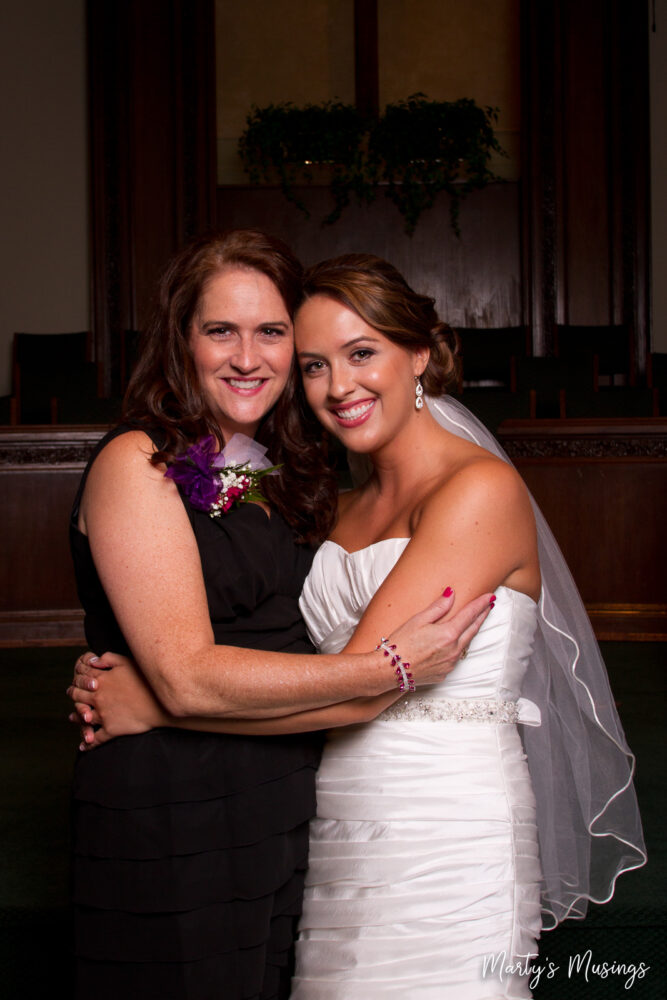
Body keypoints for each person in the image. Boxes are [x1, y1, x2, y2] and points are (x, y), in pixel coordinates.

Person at [70, 251, 645, 998]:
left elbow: (369, 689)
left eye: (361, 352)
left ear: (421, 355)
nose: (338, 386)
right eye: (313, 365)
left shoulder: (478, 491)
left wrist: (159, 701)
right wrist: (149, 651)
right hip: (331, 817)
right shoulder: (328, 507)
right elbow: (294, 653)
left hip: (438, 823)